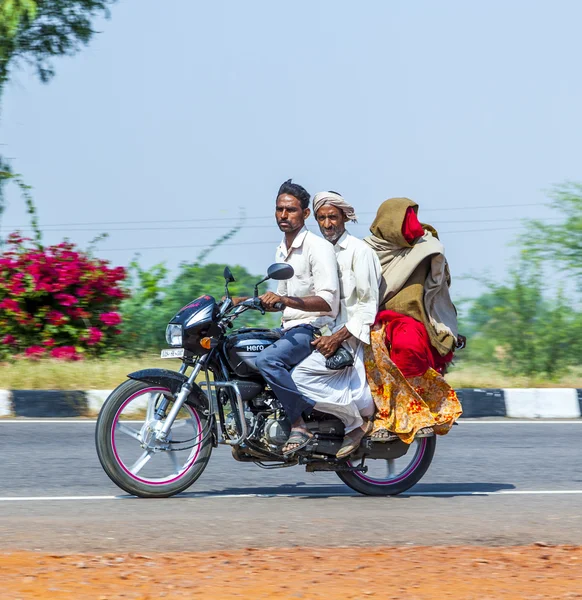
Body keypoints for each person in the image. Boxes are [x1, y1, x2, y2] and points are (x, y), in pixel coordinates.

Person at [363, 197, 464, 443]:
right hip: (370, 317)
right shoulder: (365, 251)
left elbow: (439, 284)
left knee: (408, 346)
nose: (412, 226)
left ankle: (422, 414)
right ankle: (379, 416)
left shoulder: (425, 247)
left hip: (414, 318)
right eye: (405, 219)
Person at [291, 191, 382, 459]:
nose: (328, 224)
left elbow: (367, 306)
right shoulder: (319, 252)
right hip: (322, 334)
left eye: (333, 217)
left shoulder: (359, 251)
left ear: (344, 217)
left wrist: (337, 338)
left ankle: (356, 423)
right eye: (322, 218)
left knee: (298, 379)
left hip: (349, 340)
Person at [254, 179, 340, 455]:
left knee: (267, 359)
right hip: (287, 328)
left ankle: (298, 423)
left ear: (304, 214)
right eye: (279, 209)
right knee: (240, 346)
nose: (283, 215)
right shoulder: (282, 249)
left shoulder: (318, 247)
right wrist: (245, 301)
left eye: (290, 210)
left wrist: (284, 300)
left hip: (309, 330)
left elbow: (328, 300)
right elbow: (281, 301)